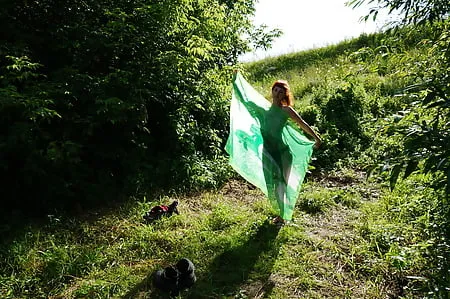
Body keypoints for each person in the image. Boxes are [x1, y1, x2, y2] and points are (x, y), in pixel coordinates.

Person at [263, 79, 322, 226]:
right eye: (275, 89)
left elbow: (302, 123)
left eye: (281, 91)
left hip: (283, 153)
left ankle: (284, 217)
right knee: (274, 185)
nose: (277, 93)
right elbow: (245, 102)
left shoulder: (286, 110)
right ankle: (281, 214)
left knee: (282, 185)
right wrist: (235, 81)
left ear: (284, 95)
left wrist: (316, 138)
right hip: (269, 153)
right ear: (272, 91)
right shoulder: (264, 109)